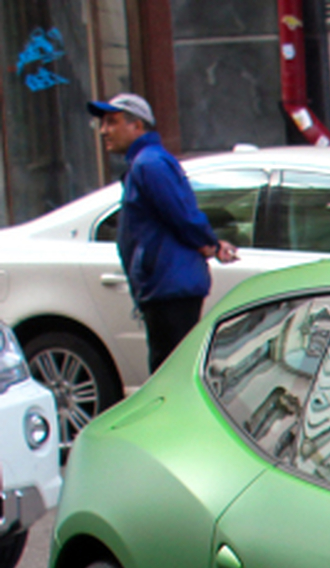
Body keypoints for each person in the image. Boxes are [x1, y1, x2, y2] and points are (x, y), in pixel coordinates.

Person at [87, 93, 238, 371]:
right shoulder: (144, 163)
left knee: (170, 372)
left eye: (112, 122)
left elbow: (182, 215)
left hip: (171, 287)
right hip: (166, 285)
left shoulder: (150, 165)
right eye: (102, 123)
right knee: (170, 369)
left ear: (137, 126)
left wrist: (209, 243)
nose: (104, 130)